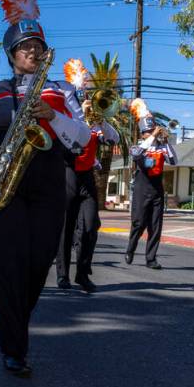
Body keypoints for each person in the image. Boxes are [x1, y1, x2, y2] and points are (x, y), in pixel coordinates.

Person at [0, 0, 90, 376]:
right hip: (2, 183)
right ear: (11, 54)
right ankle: (14, 347)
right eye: (24, 47)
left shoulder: (61, 90)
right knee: (5, 266)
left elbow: (83, 137)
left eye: (38, 46)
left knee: (37, 264)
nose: (32, 51)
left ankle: (17, 319)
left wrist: (54, 117)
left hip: (49, 181)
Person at [56, 61, 120, 292]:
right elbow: (67, 138)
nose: (84, 100)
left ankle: (82, 272)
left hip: (88, 178)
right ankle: (62, 275)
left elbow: (113, 139)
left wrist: (101, 120)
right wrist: (79, 118)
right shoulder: (68, 119)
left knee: (91, 226)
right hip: (68, 174)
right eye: (79, 95)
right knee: (66, 226)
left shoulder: (95, 123)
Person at [125, 99, 177, 269]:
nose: (151, 133)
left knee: (155, 225)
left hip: (157, 189)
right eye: (147, 131)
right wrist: (153, 136)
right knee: (139, 223)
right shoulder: (138, 146)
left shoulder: (162, 147)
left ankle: (151, 258)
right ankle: (130, 249)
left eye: (152, 130)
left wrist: (166, 141)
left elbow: (174, 161)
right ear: (142, 134)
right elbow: (136, 155)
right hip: (141, 189)